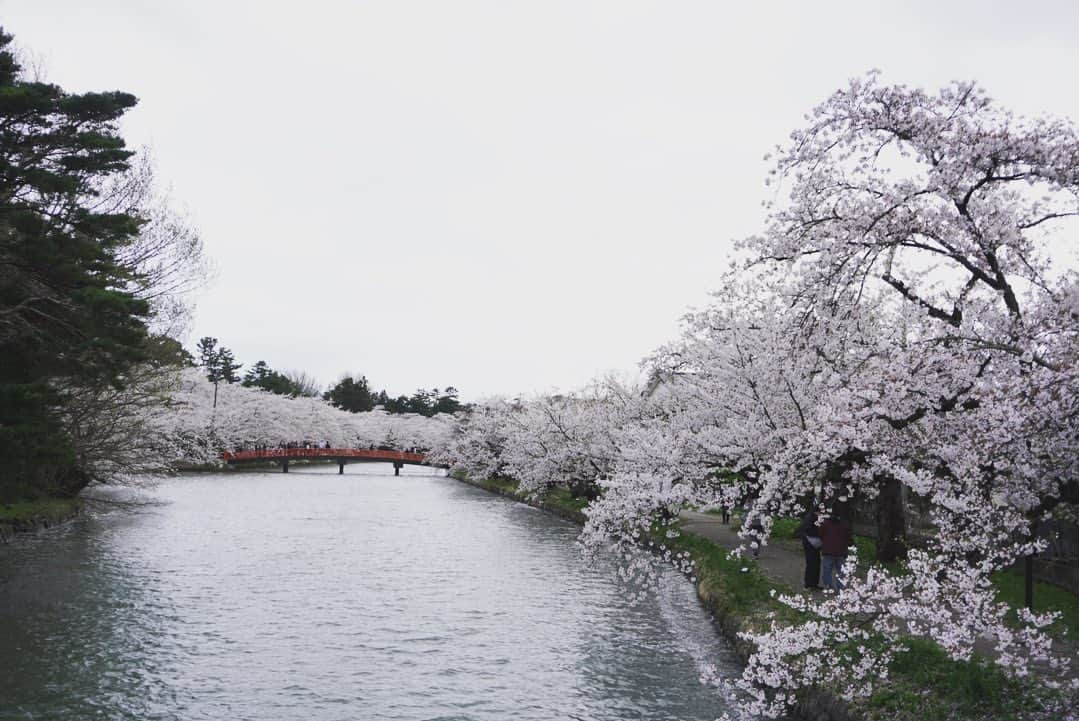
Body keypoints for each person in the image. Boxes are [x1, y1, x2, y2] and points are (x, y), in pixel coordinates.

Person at [819, 512, 852, 591]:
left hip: (828, 550)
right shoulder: (844, 524)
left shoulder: (825, 523)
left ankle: (829, 586)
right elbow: (848, 537)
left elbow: (821, 534)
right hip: (841, 550)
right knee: (841, 570)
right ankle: (840, 587)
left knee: (827, 570)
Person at [796, 508, 823, 590]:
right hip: (810, 541)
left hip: (811, 542)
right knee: (812, 563)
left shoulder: (811, 517)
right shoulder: (812, 518)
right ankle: (809, 584)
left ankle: (813, 584)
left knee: (815, 563)